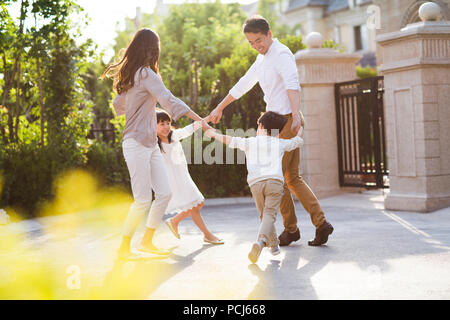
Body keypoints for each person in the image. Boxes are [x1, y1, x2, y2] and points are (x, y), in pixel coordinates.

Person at [207, 15, 334, 247]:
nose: (256, 45)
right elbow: (244, 83)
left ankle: (294, 228)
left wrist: (295, 116)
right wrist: (220, 107)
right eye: (251, 43)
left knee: (277, 178)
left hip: (286, 120)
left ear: (269, 34)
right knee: (291, 178)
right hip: (277, 121)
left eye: (259, 40)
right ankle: (318, 224)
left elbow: (292, 84)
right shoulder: (262, 59)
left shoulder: (281, 54)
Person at [101, 29, 206, 259]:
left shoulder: (131, 77)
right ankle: (123, 249)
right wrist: (199, 119)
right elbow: (168, 99)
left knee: (164, 193)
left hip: (148, 143)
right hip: (136, 143)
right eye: (157, 46)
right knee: (141, 200)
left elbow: (117, 107)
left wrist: (137, 104)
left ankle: (147, 241)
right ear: (151, 48)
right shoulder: (145, 74)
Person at [204, 111, 304, 263]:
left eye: (258, 125)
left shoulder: (250, 142)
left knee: (265, 216)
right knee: (270, 214)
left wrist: (213, 134)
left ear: (262, 127)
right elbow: (296, 142)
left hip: (256, 184)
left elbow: (230, 140)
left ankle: (273, 245)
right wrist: (300, 128)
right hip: (275, 183)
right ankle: (262, 241)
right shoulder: (280, 143)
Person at [156, 110, 223, 245]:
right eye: (161, 124)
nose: (166, 127)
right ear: (153, 126)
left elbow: (192, 127)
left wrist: (208, 118)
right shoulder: (153, 144)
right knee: (196, 205)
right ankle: (208, 235)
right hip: (171, 181)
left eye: (168, 123)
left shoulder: (174, 135)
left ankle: (174, 221)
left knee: (198, 204)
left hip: (183, 177)